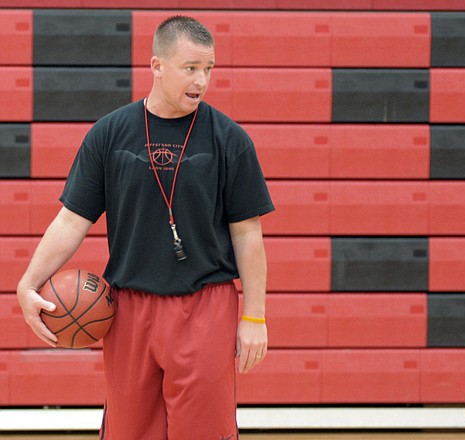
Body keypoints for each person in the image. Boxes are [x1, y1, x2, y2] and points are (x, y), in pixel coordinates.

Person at [16, 15, 274, 439]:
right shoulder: (110, 134)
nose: (201, 80)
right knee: (130, 431)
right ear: (157, 65)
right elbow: (72, 219)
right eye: (190, 68)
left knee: (205, 431)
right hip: (129, 308)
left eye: (208, 69)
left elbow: (248, 234)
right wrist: (29, 283)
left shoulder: (230, 139)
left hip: (205, 305)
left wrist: (255, 317)